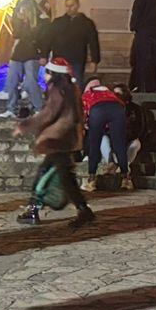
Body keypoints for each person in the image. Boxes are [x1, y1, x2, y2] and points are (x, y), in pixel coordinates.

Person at [15, 59, 93, 227]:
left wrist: (25, 125)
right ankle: (83, 209)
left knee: (46, 174)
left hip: (57, 140)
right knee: (66, 177)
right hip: (67, 139)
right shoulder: (72, 89)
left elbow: (48, 113)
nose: (45, 76)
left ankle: (33, 210)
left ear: (55, 74)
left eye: (48, 73)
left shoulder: (57, 90)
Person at [0, 0, 50, 118]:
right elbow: (16, 33)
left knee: (30, 80)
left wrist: (44, 54)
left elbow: (45, 36)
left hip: (33, 50)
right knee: (12, 79)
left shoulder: (41, 13)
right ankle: (11, 108)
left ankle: (39, 107)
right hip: (20, 50)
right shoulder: (23, 10)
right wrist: (17, 21)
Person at [80, 78, 128, 191]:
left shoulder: (87, 95)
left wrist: (86, 123)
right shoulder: (112, 95)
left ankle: (91, 180)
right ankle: (126, 179)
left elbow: (82, 113)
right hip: (117, 109)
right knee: (119, 145)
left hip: (97, 110)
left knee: (94, 145)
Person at [50, 0, 102, 77]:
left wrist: (94, 60)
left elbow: (93, 42)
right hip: (59, 59)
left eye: (71, 6)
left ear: (77, 5)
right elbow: (50, 39)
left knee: (76, 84)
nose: (69, 8)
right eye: (67, 6)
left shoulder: (86, 23)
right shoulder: (58, 22)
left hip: (77, 60)